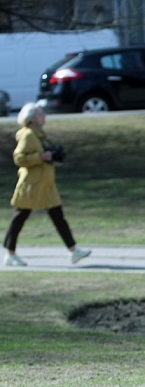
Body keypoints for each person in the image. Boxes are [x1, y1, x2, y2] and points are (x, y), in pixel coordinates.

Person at [3, 101, 91, 267]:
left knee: (58, 217)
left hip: (46, 185)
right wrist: (40, 157)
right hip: (32, 185)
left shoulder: (39, 134)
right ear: (32, 118)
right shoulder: (28, 134)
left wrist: (50, 156)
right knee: (19, 218)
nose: (44, 116)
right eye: (40, 114)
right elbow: (19, 158)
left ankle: (73, 250)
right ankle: (10, 254)